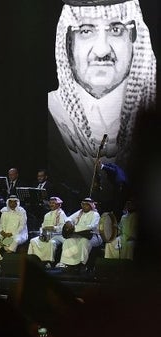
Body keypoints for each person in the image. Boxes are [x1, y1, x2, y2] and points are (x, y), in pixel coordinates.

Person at [48, 0, 156, 204]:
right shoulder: (54, 112)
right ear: (68, 40)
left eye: (116, 29)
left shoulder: (151, 116)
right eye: (86, 31)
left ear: (133, 37)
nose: (102, 50)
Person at [56, 197, 102, 269]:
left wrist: (74, 228)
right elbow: (68, 218)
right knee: (68, 241)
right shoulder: (80, 212)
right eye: (83, 204)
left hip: (93, 237)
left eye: (86, 205)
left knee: (84, 242)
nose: (84, 206)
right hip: (79, 235)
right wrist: (68, 222)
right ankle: (69, 263)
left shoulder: (95, 214)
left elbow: (91, 226)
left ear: (90, 206)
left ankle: (81, 264)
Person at [27, 196, 68, 267]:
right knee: (33, 241)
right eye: (50, 203)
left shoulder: (61, 214)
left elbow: (62, 228)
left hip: (58, 235)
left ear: (58, 205)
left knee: (51, 243)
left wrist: (53, 228)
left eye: (54, 203)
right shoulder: (47, 215)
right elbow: (42, 226)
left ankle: (48, 262)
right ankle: (34, 260)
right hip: (47, 234)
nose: (51, 204)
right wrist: (42, 234)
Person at [0, 195, 28, 263]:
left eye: (14, 202)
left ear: (17, 203)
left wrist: (11, 233)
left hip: (18, 234)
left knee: (15, 240)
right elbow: (1, 224)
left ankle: (6, 259)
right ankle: (0, 258)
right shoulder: (4, 211)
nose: (12, 204)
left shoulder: (22, 211)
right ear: (8, 203)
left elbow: (22, 226)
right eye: (11, 202)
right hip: (5, 235)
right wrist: (2, 232)